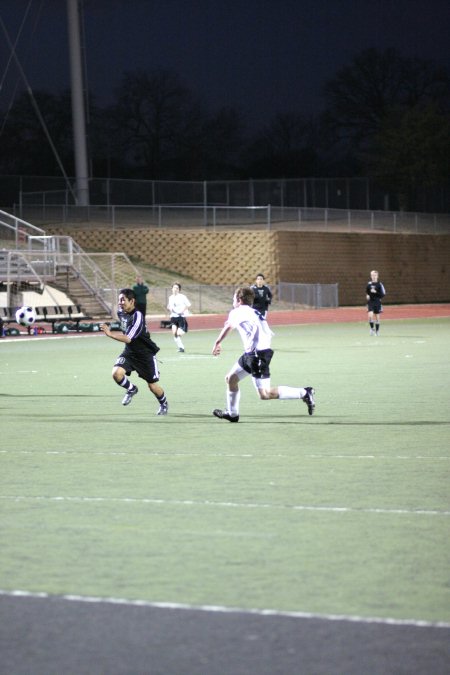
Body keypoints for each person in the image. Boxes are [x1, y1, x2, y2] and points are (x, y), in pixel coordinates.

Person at [211, 286, 315, 422]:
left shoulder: (238, 311)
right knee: (231, 379)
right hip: (252, 353)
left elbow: (229, 326)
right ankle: (232, 414)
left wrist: (217, 342)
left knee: (265, 394)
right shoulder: (253, 312)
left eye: (233, 298)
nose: (232, 301)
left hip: (257, 354)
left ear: (239, 300)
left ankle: (305, 392)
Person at [100, 288, 168, 415]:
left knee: (152, 386)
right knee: (116, 373)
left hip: (145, 355)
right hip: (130, 352)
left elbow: (127, 338)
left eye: (123, 300)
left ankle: (163, 403)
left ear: (132, 301)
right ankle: (131, 389)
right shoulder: (121, 311)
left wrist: (109, 334)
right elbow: (123, 325)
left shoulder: (138, 316)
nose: (120, 303)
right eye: (119, 300)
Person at [167, 282, 191, 352]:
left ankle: (184, 329)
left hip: (181, 317)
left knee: (178, 333)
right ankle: (181, 348)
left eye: (177, 288)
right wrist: (169, 308)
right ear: (172, 289)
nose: (175, 289)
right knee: (174, 333)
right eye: (174, 287)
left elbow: (188, 305)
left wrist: (182, 311)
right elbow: (169, 306)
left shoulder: (182, 297)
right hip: (173, 317)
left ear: (179, 290)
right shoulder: (170, 297)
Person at [366, 270, 386, 335]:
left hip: (377, 302)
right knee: (370, 316)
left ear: (377, 276)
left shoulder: (380, 284)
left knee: (377, 317)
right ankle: (372, 329)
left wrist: (376, 292)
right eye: (372, 275)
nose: (373, 276)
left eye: (374, 275)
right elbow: (367, 292)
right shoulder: (369, 284)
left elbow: (383, 294)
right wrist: (367, 295)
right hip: (370, 302)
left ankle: (377, 331)